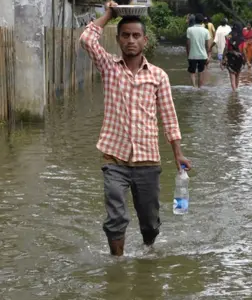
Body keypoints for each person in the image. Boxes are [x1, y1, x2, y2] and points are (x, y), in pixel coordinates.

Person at [80, 1, 192, 256]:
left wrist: (178, 153)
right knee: (116, 218)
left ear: (145, 40)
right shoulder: (109, 67)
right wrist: (109, 14)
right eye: (126, 35)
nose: (131, 40)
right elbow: (87, 39)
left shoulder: (158, 76)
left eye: (136, 36)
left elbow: (169, 117)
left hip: (147, 160)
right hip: (114, 158)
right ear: (118, 40)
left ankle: (148, 251)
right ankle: (117, 265)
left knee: (150, 224)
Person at [186, 13, 211, 88]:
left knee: (192, 72)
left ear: (195, 20)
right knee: (201, 72)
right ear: (202, 21)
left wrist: (188, 54)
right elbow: (208, 46)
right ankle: (200, 88)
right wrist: (209, 56)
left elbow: (188, 44)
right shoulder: (206, 31)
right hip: (203, 55)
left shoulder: (189, 30)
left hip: (192, 55)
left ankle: (194, 87)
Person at [221, 22, 246, 91]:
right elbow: (243, 50)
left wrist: (223, 58)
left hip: (230, 57)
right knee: (237, 75)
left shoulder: (229, 36)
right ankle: (236, 91)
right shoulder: (242, 38)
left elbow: (226, 47)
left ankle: (234, 92)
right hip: (239, 58)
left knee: (232, 76)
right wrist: (245, 60)